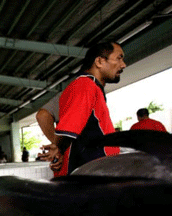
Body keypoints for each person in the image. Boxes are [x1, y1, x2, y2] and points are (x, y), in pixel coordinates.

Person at [41, 42, 126, 176]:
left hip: (96, 171)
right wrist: (58, 149)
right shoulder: (85, 85)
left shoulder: (90, 87)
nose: (123, 65)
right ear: (99, 61)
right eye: (119, 58)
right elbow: (68, 128)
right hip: (90, 175)